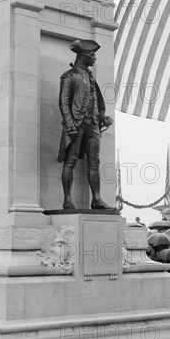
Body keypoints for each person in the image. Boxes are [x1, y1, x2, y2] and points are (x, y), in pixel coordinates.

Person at [58, 39, 113, 210]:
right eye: (92, 55)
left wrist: (102, 116)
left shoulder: (90, 76)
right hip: (76, 124)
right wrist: (70, 124)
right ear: (83, 56)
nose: (95, 59)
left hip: (93, 125)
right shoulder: (69, 76)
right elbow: (63, 102)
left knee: (95, 162)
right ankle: (68, 200)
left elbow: (97, 100)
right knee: (70, 161)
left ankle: (96, 200)